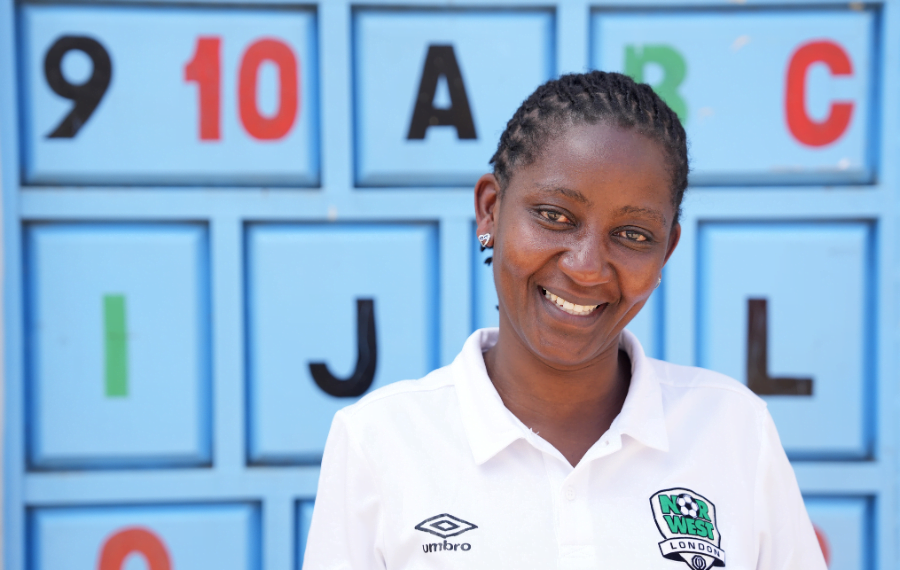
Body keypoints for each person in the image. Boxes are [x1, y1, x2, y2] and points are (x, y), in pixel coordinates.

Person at [303, 71, 826, 570]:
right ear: (490, 211)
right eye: (554, 216)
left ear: (666, 251)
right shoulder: (379, 443)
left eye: (633, 235)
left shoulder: (734, 431)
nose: (586, 266)